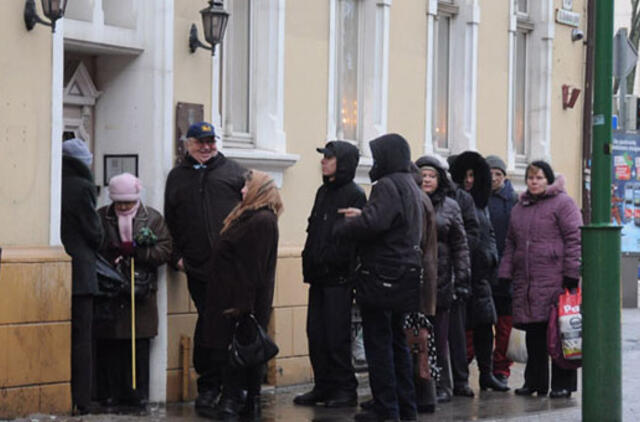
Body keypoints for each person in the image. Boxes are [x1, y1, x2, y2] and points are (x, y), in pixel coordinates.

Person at [335, 133, 423, 422]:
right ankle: (405, 408)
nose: (374, 163)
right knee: (397, 342)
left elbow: (374, 223)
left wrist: (350, 222)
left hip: (384, 275)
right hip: (405, 273)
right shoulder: (410, 183)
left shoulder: (387, 185)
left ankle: (387, 409)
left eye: (377, 156)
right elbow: (391, 221)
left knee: (380, 344)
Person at [164, 121, 246, 413]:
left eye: (211, 141)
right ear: (188, 144)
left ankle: (232, 387)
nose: (207, 147)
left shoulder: (234, 172)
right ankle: (210, 386)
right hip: (198, 268)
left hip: (232, 268)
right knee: (209, 325)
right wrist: (177, 258)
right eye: (200, 142)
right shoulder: (177, 177)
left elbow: (254, 213)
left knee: (229, 325)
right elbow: (170, 222)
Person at [201, 170, 282, 419]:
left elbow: (253, 268)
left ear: (260, 190)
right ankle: (246, 403)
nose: (243, 190)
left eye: (248, 186)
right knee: (242, 350)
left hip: (242, 301)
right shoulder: (249, 216)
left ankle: (234, 402)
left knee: (241, 351)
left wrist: (243, 306)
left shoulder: (261, 221)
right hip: (232, 297)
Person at [498, 161, 581, 398]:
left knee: (560, 334)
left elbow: (574, 239)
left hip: (555, 280)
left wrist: (571, 274)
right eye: (531, 178)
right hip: (528, 282)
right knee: (534, 335)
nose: (534, 182)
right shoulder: (520, 207)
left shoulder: (563, 204)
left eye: (540, 178)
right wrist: (505, 273)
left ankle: (562, 384)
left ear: (549, 180)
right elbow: (510, 244)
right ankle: (535, 382)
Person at [294, 141, 366, 408]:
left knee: (336, 336)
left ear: (343, 162)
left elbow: (352, 238)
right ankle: (323, 385)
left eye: (329, 158)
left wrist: (337, 261)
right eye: (323, 157)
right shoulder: (323, 191)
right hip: (318, 275)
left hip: (339, 277)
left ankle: (345, 388)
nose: (323, 161)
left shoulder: (354, 194)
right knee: (316, 334)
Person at [95, 173, 172, 410]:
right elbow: (95, 246)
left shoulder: (153, 218)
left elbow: (165, 249)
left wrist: (139, 253)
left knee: (138, 344)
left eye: (128, 202)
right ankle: (110, 394)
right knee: (111, 344)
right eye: (120, 203)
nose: (124, 207)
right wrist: (112, 253)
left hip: (141, 289)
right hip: (111, 288)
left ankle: (137, 395)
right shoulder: (102, 217)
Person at [449, 151, 508, 392]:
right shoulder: (457, 200)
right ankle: (460, 378)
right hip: (463, 272)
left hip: (481, 273)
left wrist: (492, 257)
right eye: (466, 175)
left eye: (474, 175)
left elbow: (489, 233)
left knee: (485, 326)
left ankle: (487, 374)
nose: (470, 180)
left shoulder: (480, 202)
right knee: (461, 329)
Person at [415, 155, 471, 407]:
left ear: (440, 179)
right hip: (414, 279)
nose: (426, 179)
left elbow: (461, 245)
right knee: (417, 336)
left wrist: (462, 279)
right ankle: (421, 385)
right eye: (423, 175)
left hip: (441, 281)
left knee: (438, 337)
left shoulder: (450, 206)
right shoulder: (412, 201)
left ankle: (441, 385)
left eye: (431, 176)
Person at [60, 138, 104, 414]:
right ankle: (83, 399)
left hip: (55, 272)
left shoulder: (53, 182)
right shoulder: (83, 187)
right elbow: (94, 234)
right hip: (81, 274)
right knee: (82, 339)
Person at [444, 156, 479, 400]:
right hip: (432, 273)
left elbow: (471, 235)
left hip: (454, 272)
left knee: (456, 330)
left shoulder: (462, 200)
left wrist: (460, 264)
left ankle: (460, 379)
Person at [485, 155, 518, 384]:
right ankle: (484, 366)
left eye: (499, 174)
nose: (495, 178)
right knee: (482, 324)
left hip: (507, 273)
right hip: (485, 271)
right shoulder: (478, 199)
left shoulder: (514, 201)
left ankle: (501, 369)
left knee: (505, 325)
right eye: (491, 174)